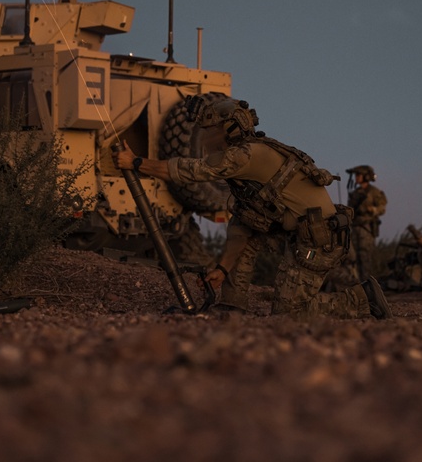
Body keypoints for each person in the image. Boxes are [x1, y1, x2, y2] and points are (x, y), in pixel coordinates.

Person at [111, 96, 392, 319]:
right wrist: (222, 269)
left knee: (289, 316)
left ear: (230, 128)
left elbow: (193, 170)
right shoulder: (248, 159)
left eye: (210, 130)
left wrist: (137, 163)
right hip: (303, 234)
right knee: (244, 222)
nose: (205, 138)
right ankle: (232, 306)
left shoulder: (246, 155)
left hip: (317, 241)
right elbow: (244, 228)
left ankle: (363, 299)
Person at [324, 165, 387, 289]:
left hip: (366, 229)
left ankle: (368, 287)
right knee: (352, 258)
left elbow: (382, 207)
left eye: (359, 175)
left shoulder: (373, 192)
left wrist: (373, 210)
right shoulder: (356, 193)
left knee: (365, 258)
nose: (356, 178)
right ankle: (357, 286)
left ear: (366, 177)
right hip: (355, 228)